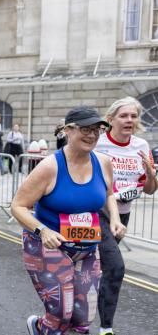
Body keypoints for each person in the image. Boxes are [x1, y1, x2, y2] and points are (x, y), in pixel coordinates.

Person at [10, 106, 125, 335]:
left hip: (87, 249)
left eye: (96, 130)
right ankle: (40, 326)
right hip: (47, 246)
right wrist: (43, 231)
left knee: (83, 318)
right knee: (61, 313)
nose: (91, 135)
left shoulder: (103, 162)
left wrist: (115, 219)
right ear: (68, 130)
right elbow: (17, 206)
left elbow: (109, 193)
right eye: (85, 129)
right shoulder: (50, 166)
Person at [92, 97, 156, 335]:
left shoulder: (141, 146)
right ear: (111, 119)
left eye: (133, 116)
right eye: (124, 115)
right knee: (115, 267)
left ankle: (81, 312)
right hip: (97, 213)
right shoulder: (98, 144)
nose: (129, 120)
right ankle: (106, 327)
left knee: (99, 268)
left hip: (123, 216)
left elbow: (149, 189)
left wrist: (150, 175)